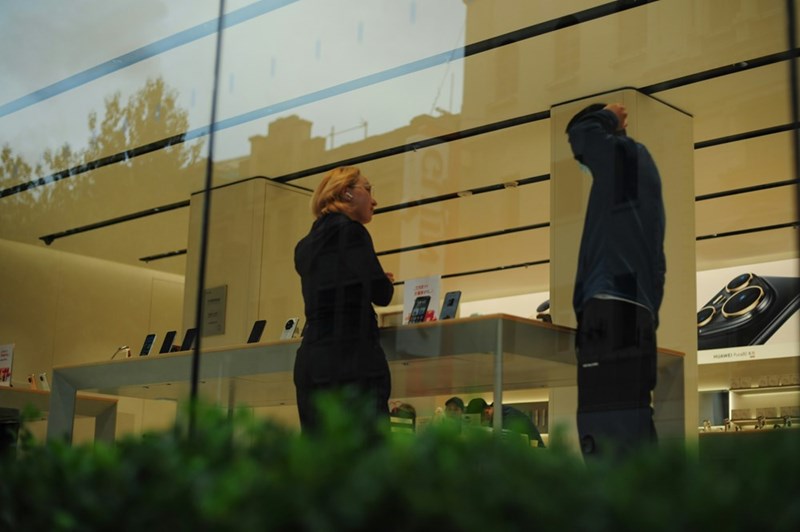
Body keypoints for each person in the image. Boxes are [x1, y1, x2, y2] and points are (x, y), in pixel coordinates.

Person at [565, 102, 666, 460]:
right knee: (632, 430)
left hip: (610, 309)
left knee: (605, 436)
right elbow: (658, 270)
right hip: (636, 313)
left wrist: (607, 115)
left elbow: (581, 135)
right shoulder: (642, 179)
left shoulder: (623, 157)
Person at [293, 166, 395, 435]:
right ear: (346, 193)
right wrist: (383, 280)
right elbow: (382, 294)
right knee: (365, 460)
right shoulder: (352, 233)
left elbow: (334, 285)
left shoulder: (304, 246)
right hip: (351, 361)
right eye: (368, 189)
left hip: (311, 362)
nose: (374, 200)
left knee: (320, 459)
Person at [464, 398, 546, 448]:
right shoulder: (500, 415)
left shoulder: (507, 417)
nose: (482, 423)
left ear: (486, 412)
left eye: (481, 420)